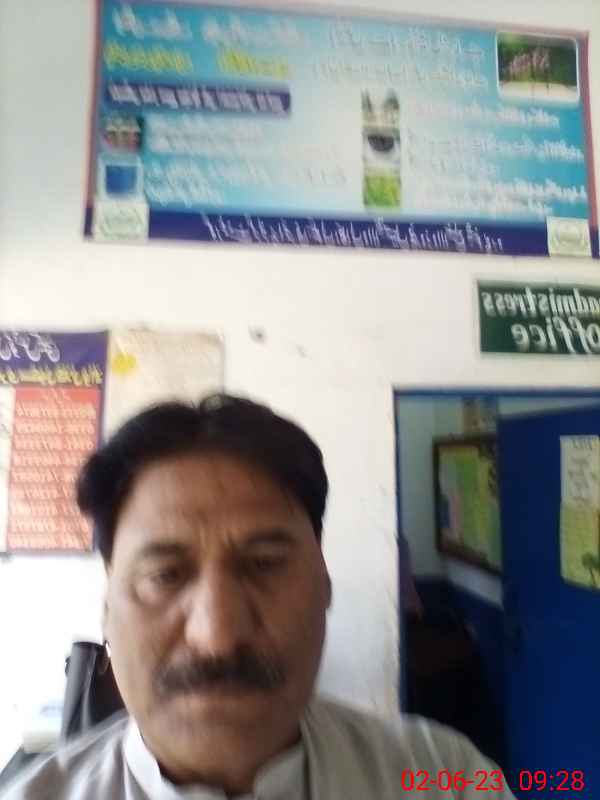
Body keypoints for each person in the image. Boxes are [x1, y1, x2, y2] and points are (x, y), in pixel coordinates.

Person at [5, 394, 515, 799]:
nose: (217, 635)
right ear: (107, 608)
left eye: (265, 565)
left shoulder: (445, 777)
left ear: (324, 583)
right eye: (165, 575)